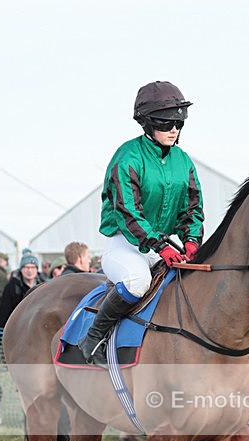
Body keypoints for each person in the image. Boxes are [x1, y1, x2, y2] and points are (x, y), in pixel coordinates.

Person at [78, 80, 204, 367]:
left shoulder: (184, 161)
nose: (174, 129)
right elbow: (128, 211)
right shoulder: (127, 157)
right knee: (137, 282)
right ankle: (93, 337)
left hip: (163, 245)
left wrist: (192, 240)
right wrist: (160, 245)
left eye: (179, 123)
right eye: (167, 123)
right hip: (125, 244)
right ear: (147, 123)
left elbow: (193, 208)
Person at [0, 252, 44, 328]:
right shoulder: (12, 286)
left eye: (33, 267)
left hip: (37, 328)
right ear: (21, 269)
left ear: (37, 269)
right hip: (17, 328)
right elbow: (4, 311)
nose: (30, 270)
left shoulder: (43, 286)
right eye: (26, 267)